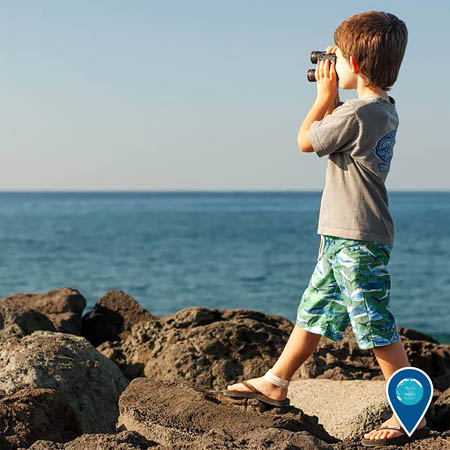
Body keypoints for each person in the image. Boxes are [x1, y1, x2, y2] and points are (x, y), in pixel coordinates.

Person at [223, 11, 430, 447]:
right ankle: (277, 380)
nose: (329, 64)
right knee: (315, 310)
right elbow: (335, 132)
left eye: (336, 56)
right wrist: (337, 92)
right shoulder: (379, 111)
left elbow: (305, 138)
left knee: (374, 324)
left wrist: (323, 94)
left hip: (355, 237)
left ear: (353, 64)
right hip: (343, 233)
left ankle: (411, 411)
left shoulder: (359, 114)